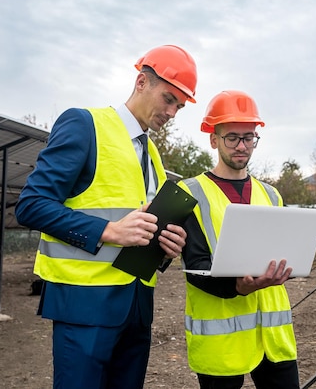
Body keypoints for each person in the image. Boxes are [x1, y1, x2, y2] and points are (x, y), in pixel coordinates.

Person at [15, 44, 198, 389]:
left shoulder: (153, 157)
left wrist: (167, 245)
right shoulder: (85, 125)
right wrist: (109, 231)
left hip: (138, 307)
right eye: (169, 99)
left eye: (180, 106)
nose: (173, 112)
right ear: (142, 82)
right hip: (84, 304)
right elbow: (31, 204)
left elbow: (141, 228)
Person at [178, 90, 300, 389]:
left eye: (249, 137)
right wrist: (237, 286)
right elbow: (195, 265)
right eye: (232, 137)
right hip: (222, 340)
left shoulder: (272, 194)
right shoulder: (190, 192)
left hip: (274, 337)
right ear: (213, 139)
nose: (242, 145)